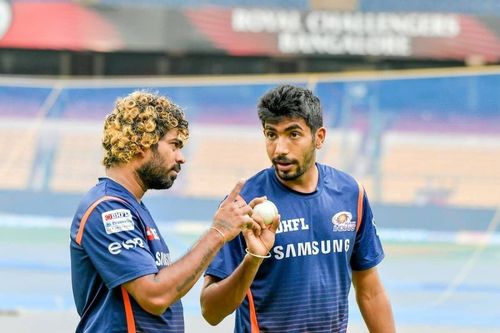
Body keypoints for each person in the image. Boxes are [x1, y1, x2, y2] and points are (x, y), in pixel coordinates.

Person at [70, 90, 279, 333]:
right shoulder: (107, 209)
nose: (182, 158)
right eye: (174, 145)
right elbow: (155, 296)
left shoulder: (131, 206)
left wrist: (251, 255)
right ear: (141, 144)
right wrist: (218, 232)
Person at [200, 84, 395, 333]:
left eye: (293, 134)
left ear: (319, 137)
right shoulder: (243, 205)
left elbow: (371, 292)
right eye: (271, 135)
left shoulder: (351, 193)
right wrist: (253, 258)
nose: (279, 149)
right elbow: (211, 312)